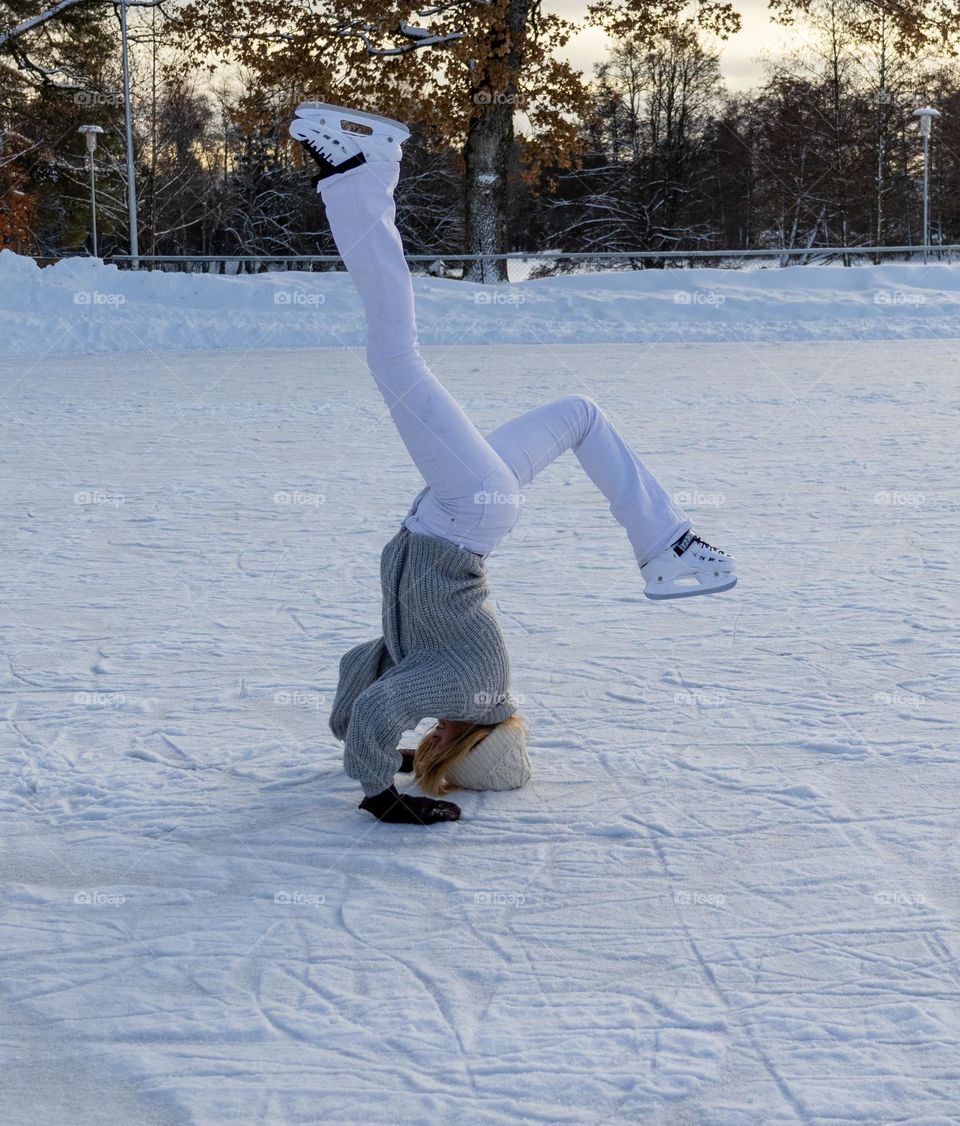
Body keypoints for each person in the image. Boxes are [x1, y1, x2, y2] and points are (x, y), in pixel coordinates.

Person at [288, 104, 736, 826]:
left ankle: (668, 548)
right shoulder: (470, 690)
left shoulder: (450, 684)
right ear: (467, 741)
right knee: (394, 356)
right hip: (469, 509)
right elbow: (379, 702)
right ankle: (365, 175)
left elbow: (360, 675)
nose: (430, 738)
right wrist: (378, 792)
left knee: (580, 413)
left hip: (468, 508)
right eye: (441, 749)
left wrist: (361, 740)